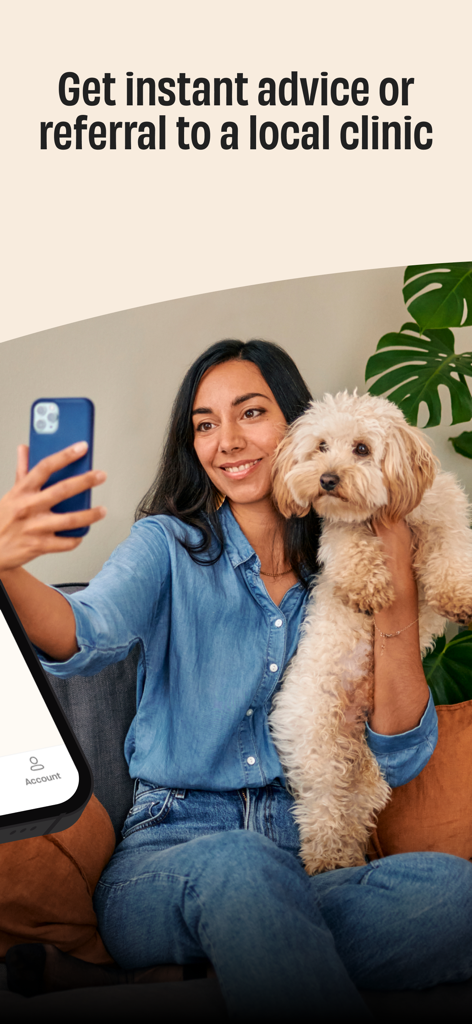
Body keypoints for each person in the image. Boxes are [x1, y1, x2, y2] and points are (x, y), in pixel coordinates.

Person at [1, 339, 471, 1020]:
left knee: (455, 896)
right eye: (204, 424)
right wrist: (7, 569)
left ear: (295, 426)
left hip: (302, 862)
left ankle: (180, 985)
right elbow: (83, 633)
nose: (226, 441)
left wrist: (396, 579)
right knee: (242, 866)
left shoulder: (348, 562)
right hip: (173, 856)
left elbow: (402, 750)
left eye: (250, 413)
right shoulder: (165, 546)